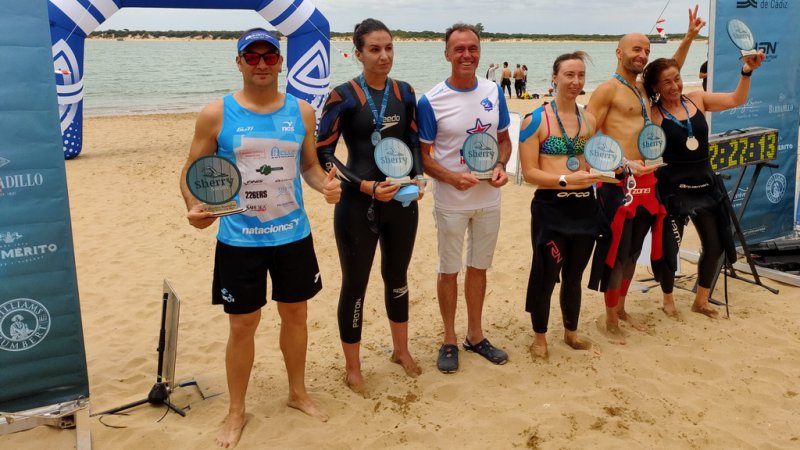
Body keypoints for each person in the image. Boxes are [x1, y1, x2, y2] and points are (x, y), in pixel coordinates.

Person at [179, 28, 341, 448]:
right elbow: (192, 171)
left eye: (269, 56)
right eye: (252, 57)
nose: (262, 63)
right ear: (239, 63)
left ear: (281, 62)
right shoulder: (216, 113)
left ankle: (297, 393)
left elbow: (309, 166)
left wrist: (325, 186)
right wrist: (195, 208)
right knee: (243, 325)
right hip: (239, 239)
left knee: (296, 315)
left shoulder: (302, 112)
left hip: (292, 235)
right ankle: (236, 410)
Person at [316, 18, 424, 393]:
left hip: (400, 200)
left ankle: (401, 350)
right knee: (355, 285)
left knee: (397, 278)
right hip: (356, 204)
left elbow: (414, 141)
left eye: (389, 48)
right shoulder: (342, 96)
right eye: (375, 49)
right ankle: (353, 367)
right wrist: (363, 185)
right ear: (358, 53)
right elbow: (323, 153)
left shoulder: (405, 92)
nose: (384, 56)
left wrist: (417, 177)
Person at [586, 6, 705, 344]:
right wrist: (620, 162)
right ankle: (610, 319)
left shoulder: (641, 89)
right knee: (617, 253)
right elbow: (587, 135)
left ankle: (621, 308)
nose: (642, 55)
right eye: (636, 49)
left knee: (633, 252)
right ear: (619, 52)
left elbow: (671, 69)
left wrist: (688, 38)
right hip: (619, 183)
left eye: (646, 50)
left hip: (647, 182)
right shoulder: (607, 90)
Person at [417, 23, 511, 373]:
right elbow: (423, 156)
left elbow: (504, 140)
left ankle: (475, 334)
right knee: (449, 270)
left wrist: (501, 165)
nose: (467, 55)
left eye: (472, 48)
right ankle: (449, 339)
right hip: (451, 201)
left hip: (488, 198)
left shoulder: (493, 91)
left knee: (479, 267)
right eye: (459, 49)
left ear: (480, 52)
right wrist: (451, 177)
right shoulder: (430, 100)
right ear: (447, 54)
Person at [643, 51, 765, 318]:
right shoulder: (653, 115)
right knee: (669, 248)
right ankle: (668, 299)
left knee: (715, 245)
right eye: (666, 82)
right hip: (673, 188)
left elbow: (736, 99)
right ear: (655, 87)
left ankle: (701, 300)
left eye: (677, 78)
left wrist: (746, 71)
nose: (675, 86)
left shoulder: (697, 98)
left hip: (705, 183)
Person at [518, 52, 604, 359]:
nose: (576, 81)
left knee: (574, 276)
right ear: (554, 78)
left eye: (581, 75)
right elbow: (529, 173)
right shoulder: (534, 120)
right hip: (551, 209)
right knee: (546, 274)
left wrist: (614, 168)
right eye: (569, 75)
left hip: (585, 208)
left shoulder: (589, 120)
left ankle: (571, 333)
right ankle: (540, 337)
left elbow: (594, 162)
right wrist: (566, 179)